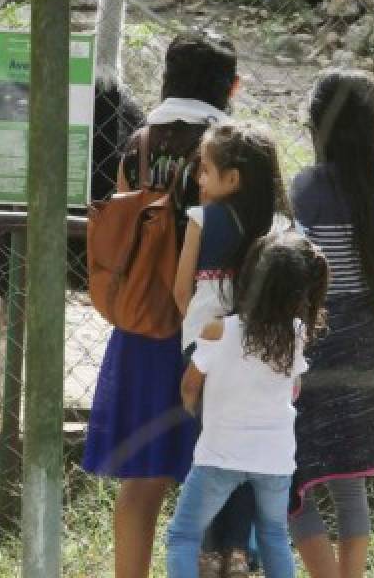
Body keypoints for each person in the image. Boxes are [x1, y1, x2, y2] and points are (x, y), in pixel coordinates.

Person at [83, 30, 240, 578]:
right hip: (213, 327)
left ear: (168, 79)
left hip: (143, 324)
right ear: (232, 86)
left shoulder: (138, 141)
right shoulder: (229, 147)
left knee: (141, 479)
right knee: (216, 476)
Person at [287, 68, 374, 578]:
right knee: (349, 475)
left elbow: (294, 274)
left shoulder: (305, 188)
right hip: (365, 346)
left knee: (294, 476)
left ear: (318, 124)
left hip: (312, 343)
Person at [166, 231, 329, 578]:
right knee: (273, 536)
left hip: (220, 452)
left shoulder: (218, 330)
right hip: (275, 457)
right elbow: (293, 387)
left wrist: (196, 412)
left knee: (183, 535)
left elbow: (189, 385)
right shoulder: (297, 334)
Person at [172, 122, 292, 577]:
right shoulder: (282, 226)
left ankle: (208, 553)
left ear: (233, 179)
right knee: (247, 453)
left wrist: (198, 327)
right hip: (267, 352)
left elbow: (181, 292)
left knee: (214, 448)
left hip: (206, 348)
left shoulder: (203, 220)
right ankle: (239, 554)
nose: (199, 181)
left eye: (204, 171)